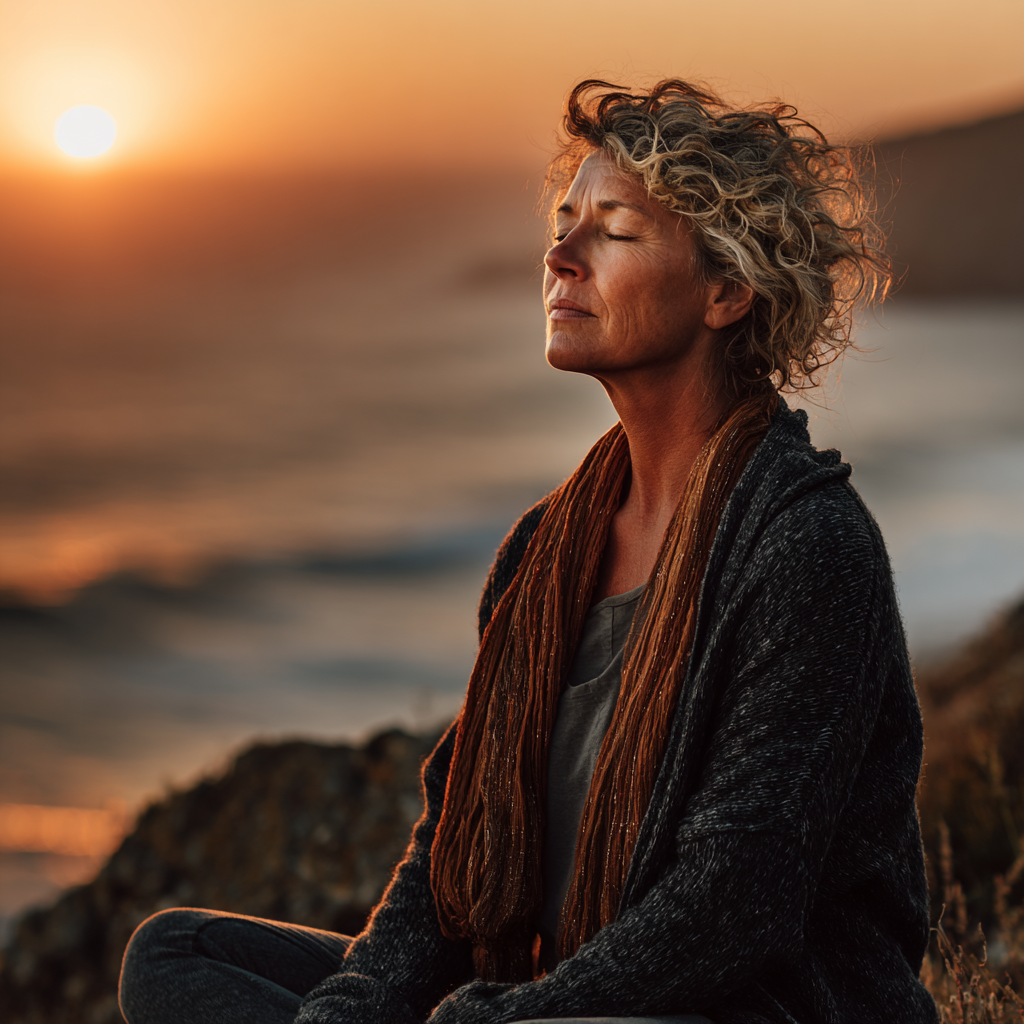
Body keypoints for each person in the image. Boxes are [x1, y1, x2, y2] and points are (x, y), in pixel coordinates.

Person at [118, 79, 938, 1024]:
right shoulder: (543, 553)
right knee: (178, 954)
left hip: (738, 1008)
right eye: (563, 224)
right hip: (547, 992)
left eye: (614, 232)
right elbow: (446, 864)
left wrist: (511, 1016)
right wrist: (354, 1009)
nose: (559, 256)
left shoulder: (808, 547)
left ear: (726, 290)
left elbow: (733, 906)